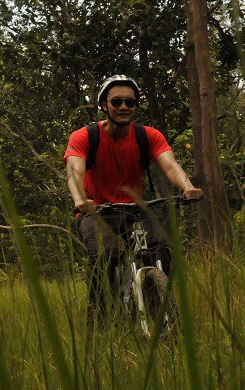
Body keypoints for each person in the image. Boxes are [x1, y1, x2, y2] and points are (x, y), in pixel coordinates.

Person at [64, 75, 203, 320]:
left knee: (162, 248)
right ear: (104, 105)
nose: (123, 107)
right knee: (105, 255)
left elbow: (170, 165)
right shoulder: (85, 136)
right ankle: (101, 313)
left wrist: (187, 186)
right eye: (116, 102)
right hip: (96, 211)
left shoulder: (147, 136)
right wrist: (79, 199)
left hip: (134, 210)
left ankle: (157, 304)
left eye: (130, 102)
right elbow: (75, 171)